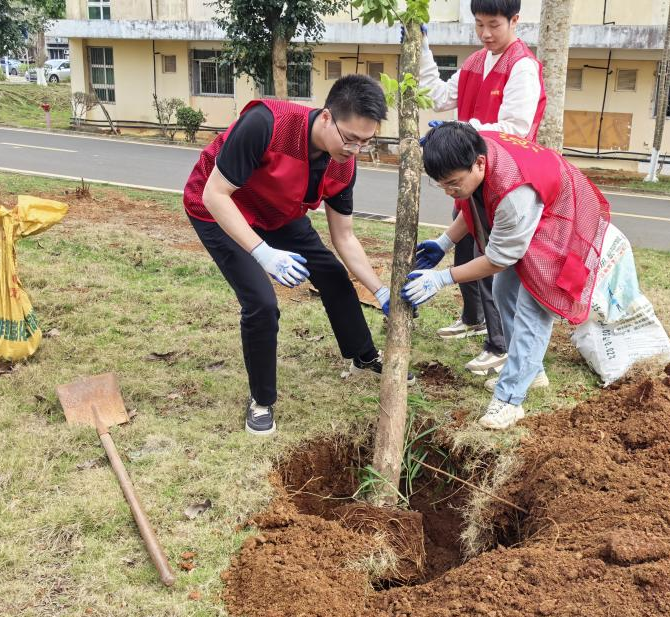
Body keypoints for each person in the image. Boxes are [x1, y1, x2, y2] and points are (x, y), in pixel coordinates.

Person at [183, 75, 411, 437]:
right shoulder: (266, 124)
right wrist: (263, 254)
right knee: (261, 303)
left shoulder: (343, 164)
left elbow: (345, 236)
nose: (354, 149)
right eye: (349, 138)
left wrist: (379, 289)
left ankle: (363, 354)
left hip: (278, 213)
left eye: (365, 143)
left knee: (333, 275)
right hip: (219, 209)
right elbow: (215, 194)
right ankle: (261, 400)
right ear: (325, 117)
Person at [405, 123, 610, 430]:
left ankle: (510, 400)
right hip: (539, 207)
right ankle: (533, 370)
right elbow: (472, 200)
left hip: (562, 216)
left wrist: (442, 278)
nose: (449, 191)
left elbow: (499, 258)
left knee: (534, 307)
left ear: (479, 164)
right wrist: (444, 242)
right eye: (442, 185)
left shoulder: (514, 194)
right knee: (503, 291)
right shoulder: (472, 150)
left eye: (452, 183)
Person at [417, 0, 545, 377]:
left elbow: (515, 129)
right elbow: (438, 97)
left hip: (505, 177)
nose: (486, 34)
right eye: (479, 25)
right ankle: (479, 323)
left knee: (496, 263)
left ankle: (502, 345)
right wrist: (422, 48)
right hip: (472, 175)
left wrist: (462, 131)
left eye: (494, 25)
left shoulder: (522, 66)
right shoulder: (474, 63)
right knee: (468, 244)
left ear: (515, 21)